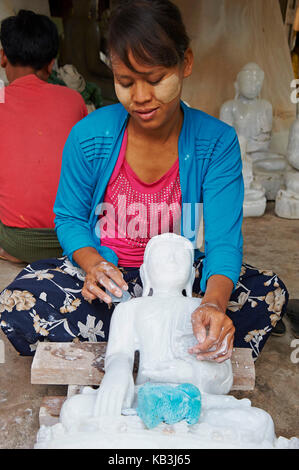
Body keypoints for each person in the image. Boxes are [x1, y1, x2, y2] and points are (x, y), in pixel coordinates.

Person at [0, 0, 288, 360]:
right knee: (19, 299)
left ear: (185, 63)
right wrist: (93, 265)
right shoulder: (90, 136)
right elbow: (70, 218)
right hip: (111, 280)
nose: (140, 97)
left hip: (184, 282)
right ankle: (168, 343)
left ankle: (136, 340)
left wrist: (213, 303)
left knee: (267, 292)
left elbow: (223, 242)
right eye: (125, 82)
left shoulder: (216, 142)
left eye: (155, 80)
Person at [0, 10, 88, 264]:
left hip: (17, 241)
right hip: (72, 238)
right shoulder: (72, 99)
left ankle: (11, 254)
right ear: (51, 63)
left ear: (3, 57)